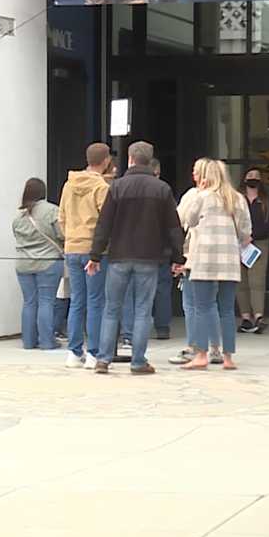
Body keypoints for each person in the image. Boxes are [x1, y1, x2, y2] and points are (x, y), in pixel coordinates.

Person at [87, 141, 185, 375]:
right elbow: (173, 227)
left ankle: (103, 359)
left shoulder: (117, 187)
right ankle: (138, 361)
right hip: (148, 257)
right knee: (142, 309)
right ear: (149, 161)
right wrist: (178, 256)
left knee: (112, 308)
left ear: (130, 159)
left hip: (119, 255)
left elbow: (104, 224)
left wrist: (95, 255)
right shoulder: (161, 189)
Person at [179, 160, 252, 371]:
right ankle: (228, 358)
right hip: (229, 260)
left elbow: (189, 221)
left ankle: (202, 354)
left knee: (203, 307)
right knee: (227, 309)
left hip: (204, 258)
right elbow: (245, 230)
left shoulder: (202, 197)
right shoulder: (237, 198)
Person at [58, 142, 112, 369]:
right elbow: (106, 220)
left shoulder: (69, 185)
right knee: (96, 302)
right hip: (94, 251)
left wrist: (70, 237)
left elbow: (61, 217)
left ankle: (74, 351)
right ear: (106, 160)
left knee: (77, 301)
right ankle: (93, 353)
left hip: (72, 247)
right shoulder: (101, 187)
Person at [169, 158, 219, 365]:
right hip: (218, 256)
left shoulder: (194, 195)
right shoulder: (227, 197)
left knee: (191, 303)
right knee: (211, 303)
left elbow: (179, 220)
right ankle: (215, 347)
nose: (193, 175)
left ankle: (194, 346)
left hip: (196, 253)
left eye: (196, 172)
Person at [120, 157, 173, 346]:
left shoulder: (123, 187)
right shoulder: (163, 190)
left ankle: (129, 333)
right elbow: (172, 223)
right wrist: (176, 251)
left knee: (132, 294)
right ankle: (162, 327)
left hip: (129, 249)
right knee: (162, 289)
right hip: (159, 249)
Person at [12, 178, 65, 351]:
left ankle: (28, 341)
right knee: (46, 302)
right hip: (48, 262)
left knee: (29, 302)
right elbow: (62, 234)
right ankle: (47, 342)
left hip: (23, 263)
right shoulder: (51, 210)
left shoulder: (19, 215)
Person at [237, 166, 269, 334]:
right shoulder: (237, 198)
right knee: (241, 282)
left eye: (256, 176)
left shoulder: (268, 199)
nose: (253, 178)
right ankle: (246, 317)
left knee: (257, 280)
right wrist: (242, 236)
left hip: (259, 244)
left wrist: (253, 236)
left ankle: (259, 316)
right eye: (250, 175)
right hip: (238, 244)